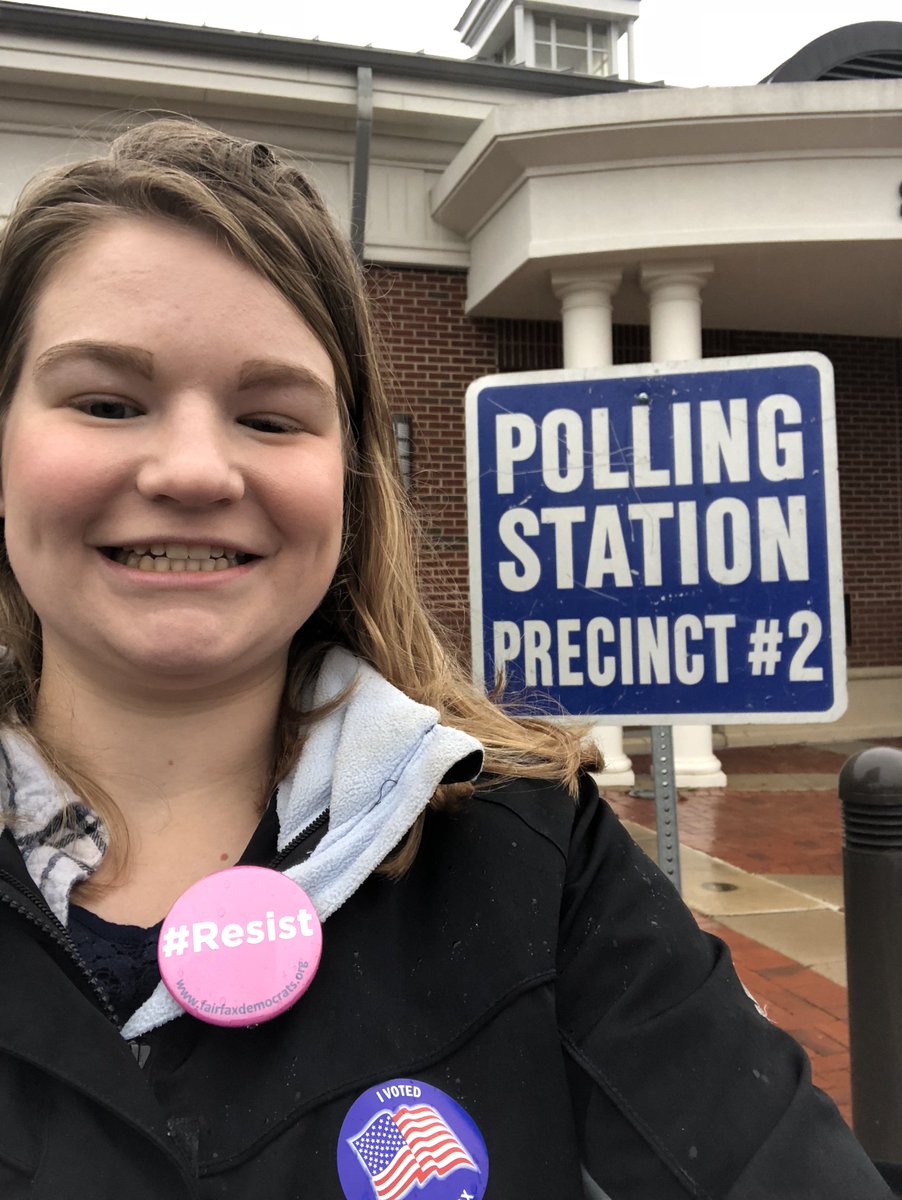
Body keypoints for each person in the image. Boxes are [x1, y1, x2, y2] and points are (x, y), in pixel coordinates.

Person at [0, 116, 892, 1200]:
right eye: (106, 402)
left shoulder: (534, 846)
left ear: (349, 478)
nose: (194, 469)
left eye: (271, 417)